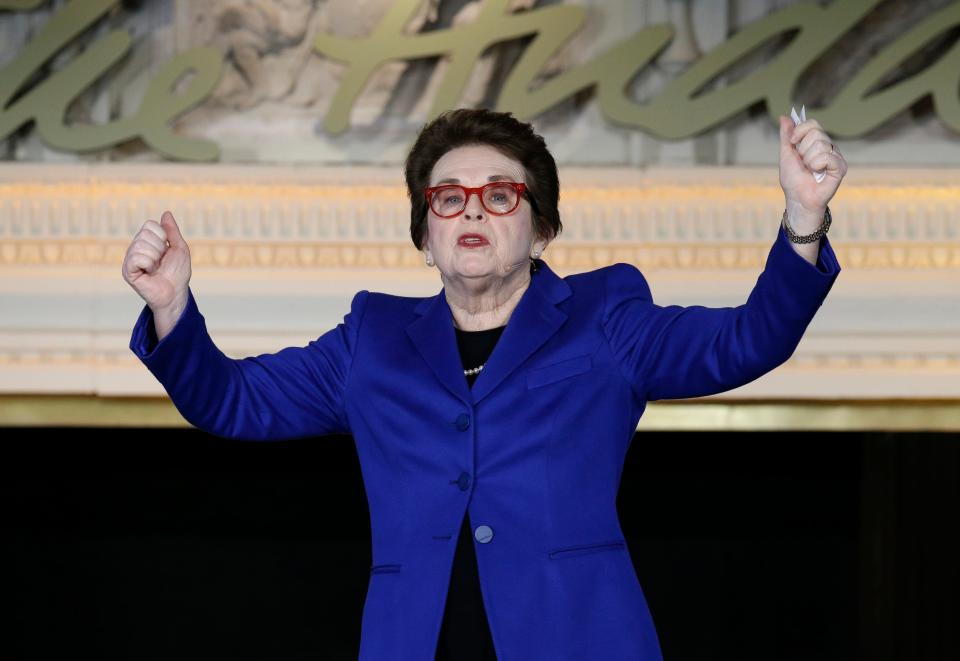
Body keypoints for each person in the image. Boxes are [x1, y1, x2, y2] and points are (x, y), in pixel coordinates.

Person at [122, 108, 845, 660]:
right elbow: (232, 401)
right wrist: (171, 307)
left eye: (500, 195)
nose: (471, 208)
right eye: (448, 198)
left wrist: (804, 221)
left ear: (539, 231)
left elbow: (748, 340)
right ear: (425, 234)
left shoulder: (605, 318)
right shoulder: (371, 340)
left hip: (577, 638)